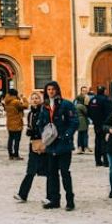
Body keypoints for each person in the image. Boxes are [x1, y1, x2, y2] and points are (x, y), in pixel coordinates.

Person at [39, 82, 78, 211]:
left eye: (53, 89)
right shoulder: (44, 106)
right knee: (52, 173)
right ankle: (54, 200)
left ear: (57, 90)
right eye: (48, 89)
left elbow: (74, 122)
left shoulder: (66, 104)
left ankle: (70, 200)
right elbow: (41, 122)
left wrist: (67, 135)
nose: (50, 91)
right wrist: (44, 134)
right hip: (51, 143)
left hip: (63, 144)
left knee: (65, 172)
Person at [15, 92, 47, 203]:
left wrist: (36, 131)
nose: (34, 100)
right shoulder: (30, 114)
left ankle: (51, 195)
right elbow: (30, 127)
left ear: (41, 99)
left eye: (37, 98)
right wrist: (30, 131)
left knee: (49, 171)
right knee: (31, 170)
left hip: (44, 143)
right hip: (33, 143)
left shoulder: (44, 111)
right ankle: (22, 194)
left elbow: (46, 127)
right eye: (33, 98)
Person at [88, 86, 112, 167]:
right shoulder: (106, 100)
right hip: (104, 124)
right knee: (104, 142)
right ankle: (106, 161)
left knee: (97, 142)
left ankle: (98, 161)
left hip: (96, 124)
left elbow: (89, 112)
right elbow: (109, 112)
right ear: (104, 91)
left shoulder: (92, 100)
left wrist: (94, 120)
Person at [4, 89, 27, 160]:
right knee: (17, 140)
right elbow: (25, 106)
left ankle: (10, 155)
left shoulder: (7, 102)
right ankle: (16, 155)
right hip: (17, 123)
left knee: (10, 139)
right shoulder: (15, 102)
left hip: (9, 123)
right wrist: (24, 98)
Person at [74, 86, 90, 154]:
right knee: (84, 134)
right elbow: (86, 112)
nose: (85, 92)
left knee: (80, 134)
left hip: (79, 120)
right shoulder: (81, 104)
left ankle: (80, 147)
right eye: (83, 91)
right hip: (83, 120)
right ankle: (84, 147)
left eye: (86, 91)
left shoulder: (78, 102)